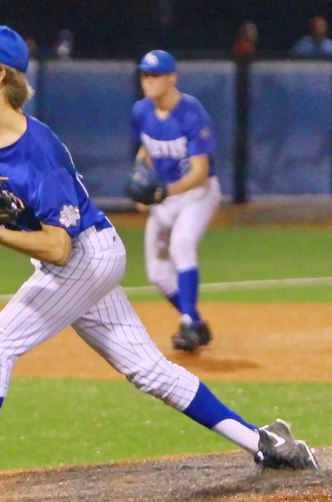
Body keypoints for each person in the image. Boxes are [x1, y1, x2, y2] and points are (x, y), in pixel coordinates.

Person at [0, 24, 319, 502]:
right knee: (149, 371)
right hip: (74, 263)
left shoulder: (39, 151)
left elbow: (58, 249)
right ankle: (267, 442)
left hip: (86, 256)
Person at [130, 50, 220, 354]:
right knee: (157, 273)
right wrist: (142, 179)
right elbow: (146, 149)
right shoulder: (141, 111)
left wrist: (163, 193)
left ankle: (188, 324)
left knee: (182, 244)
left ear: (172, 78)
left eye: (156, 75)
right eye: (145, 75)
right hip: (165, 196)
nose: (149, 81)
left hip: (197, 193)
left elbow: (200, 172)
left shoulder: (191, 113)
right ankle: (195, 321)